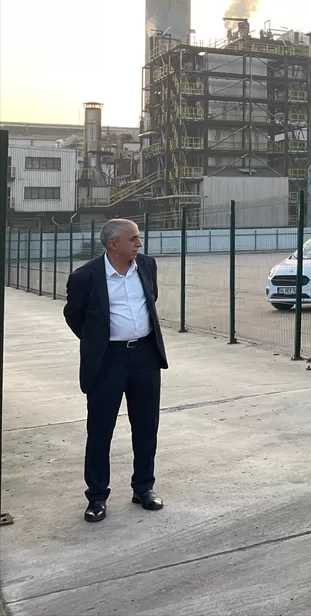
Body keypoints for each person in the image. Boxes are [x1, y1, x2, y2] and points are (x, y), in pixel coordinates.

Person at [62, 218, 168, 523]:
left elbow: (151, 299)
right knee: (100, 431)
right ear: (113, 245)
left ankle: (143, 488)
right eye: (133, 239)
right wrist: (98, 341)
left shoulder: (146, 266)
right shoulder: (85, 277)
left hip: (145, 357)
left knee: (146, 426)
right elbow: (75, 316)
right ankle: (96, 497)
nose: (140, 243)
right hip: (107, 361)